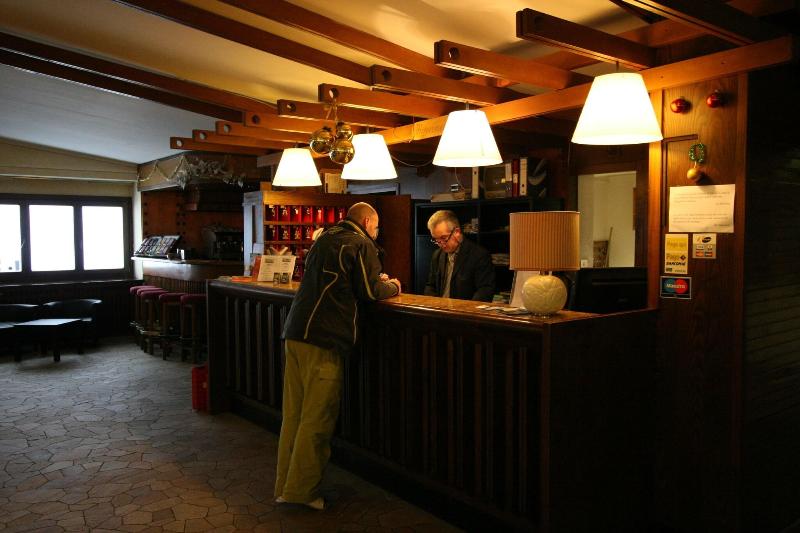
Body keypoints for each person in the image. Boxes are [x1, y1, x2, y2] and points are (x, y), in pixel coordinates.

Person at [275, 202, 401, 510]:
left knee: (294, 414)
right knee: (317, 418)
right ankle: (302, 492)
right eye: (376, 227)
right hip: (324, 337)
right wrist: (393, 286)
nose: (376, 233)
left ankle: (285, 485)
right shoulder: (360, 243)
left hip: (295, 332)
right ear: (367, 222)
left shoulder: (325, 238)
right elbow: (370, 292)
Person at [424, 210, 495, 302]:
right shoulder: (437, 255)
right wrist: (435, 304)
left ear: (456, 232)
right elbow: (430, 286)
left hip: (464, 309)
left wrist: (465, 308)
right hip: (440, 308)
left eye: (443, 238)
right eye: (436, 240)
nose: (440, 244)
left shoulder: (479, 255)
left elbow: (485, 291)